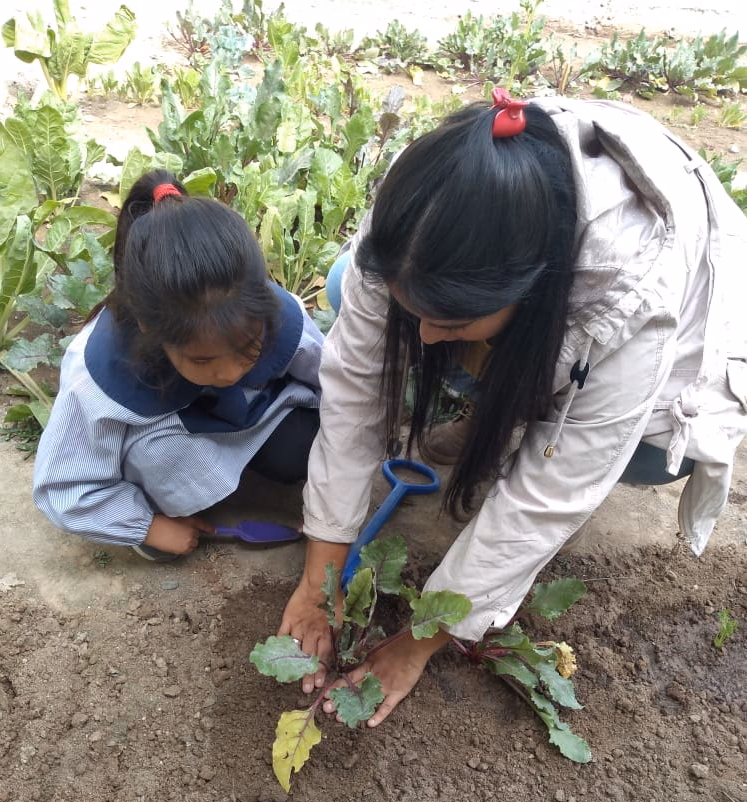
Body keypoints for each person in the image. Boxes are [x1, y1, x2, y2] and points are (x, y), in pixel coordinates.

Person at [279, 90, 747, 726]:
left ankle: (521, 412)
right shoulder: (421, 207)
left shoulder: (631, 294)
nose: (423, 340)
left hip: (683, 354)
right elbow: (353, 398)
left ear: (532, 290)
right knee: (346, 284)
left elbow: (545, 501)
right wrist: (320, 577)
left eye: (451, 319)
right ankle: (498, 401)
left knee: (644, 455)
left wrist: (418, 642)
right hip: (539, 314)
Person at [33, 170, 323, 560]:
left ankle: (230, 474)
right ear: (149, 328)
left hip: (249, 417)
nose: (230, 373)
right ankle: (158, 505)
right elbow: (62, 487)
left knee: (304, 442)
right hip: (167, 443)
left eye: (249, 348)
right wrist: (146, 526)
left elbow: (337, 384)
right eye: (203, 359)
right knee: (159, 474)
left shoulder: (273, 311)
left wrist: (332, 506)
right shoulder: (100, 369)